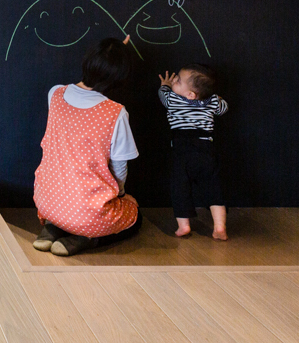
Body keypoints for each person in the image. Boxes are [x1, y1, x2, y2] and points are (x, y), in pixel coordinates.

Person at [31, 37, 141, 257]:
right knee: (135, 216)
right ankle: (85, 238)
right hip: (86, 213)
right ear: (118, 77)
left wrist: (110, 55)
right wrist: (121, 196)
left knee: (68, 205)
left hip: (46, 202)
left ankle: (52, 228)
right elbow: (120, 168)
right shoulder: (116, 113)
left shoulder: (55, 94)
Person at [158, 63, 229, 239]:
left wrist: (165, 85)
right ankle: (220, 227)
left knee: (179, 188)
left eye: (177, 81)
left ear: (190, 94)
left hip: (182, 151)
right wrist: (219, 99)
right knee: (214, 187)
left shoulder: (172, 99)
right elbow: (224, 108)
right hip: (206, 150)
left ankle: (184, 226)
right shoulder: (213, 101)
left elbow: (162, 95)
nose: (174, 80)